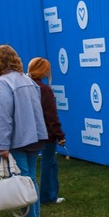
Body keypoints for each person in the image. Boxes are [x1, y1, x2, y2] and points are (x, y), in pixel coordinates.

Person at [0, 46, 47, 217]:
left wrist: (2, 145)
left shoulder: (1, 84)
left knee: (21, 179)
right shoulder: (27, 80)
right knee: (29, 179)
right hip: (33, 137)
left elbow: (1, 117)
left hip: (16, 139)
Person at [26, 57, 66, 205]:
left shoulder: (25, 86)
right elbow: (51, 115)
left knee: (30, 167)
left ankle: (34, 197)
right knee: (49, 163)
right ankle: (48, 196)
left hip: (28, 133)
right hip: (46, 133)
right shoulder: (44, 89)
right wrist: (60, 135)